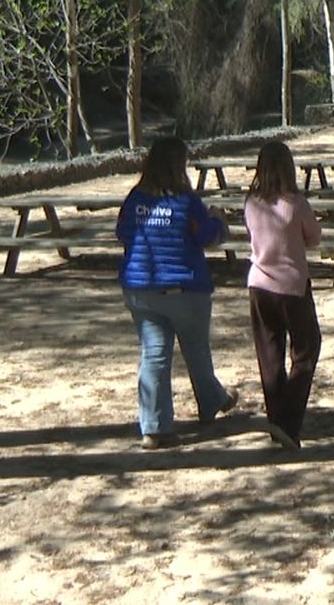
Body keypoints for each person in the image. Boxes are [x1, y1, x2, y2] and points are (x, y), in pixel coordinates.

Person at [116, 136, 239, 450]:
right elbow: (207, 238)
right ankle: (211, 403)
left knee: (154, 356)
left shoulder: (134, 199)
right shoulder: (186, 201)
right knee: (196, 349)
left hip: (142, 289)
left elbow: (122, 233)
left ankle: (156, 427)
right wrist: (219, 220)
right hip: (185, 288)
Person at [243, 140, 323, 451]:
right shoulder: (296, 204)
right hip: (292, 287)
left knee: (270, 355)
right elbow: (313, 238)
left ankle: (277, 418)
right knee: (306, 349)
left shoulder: (252, 203)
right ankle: (288, 422)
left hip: (259, 285)